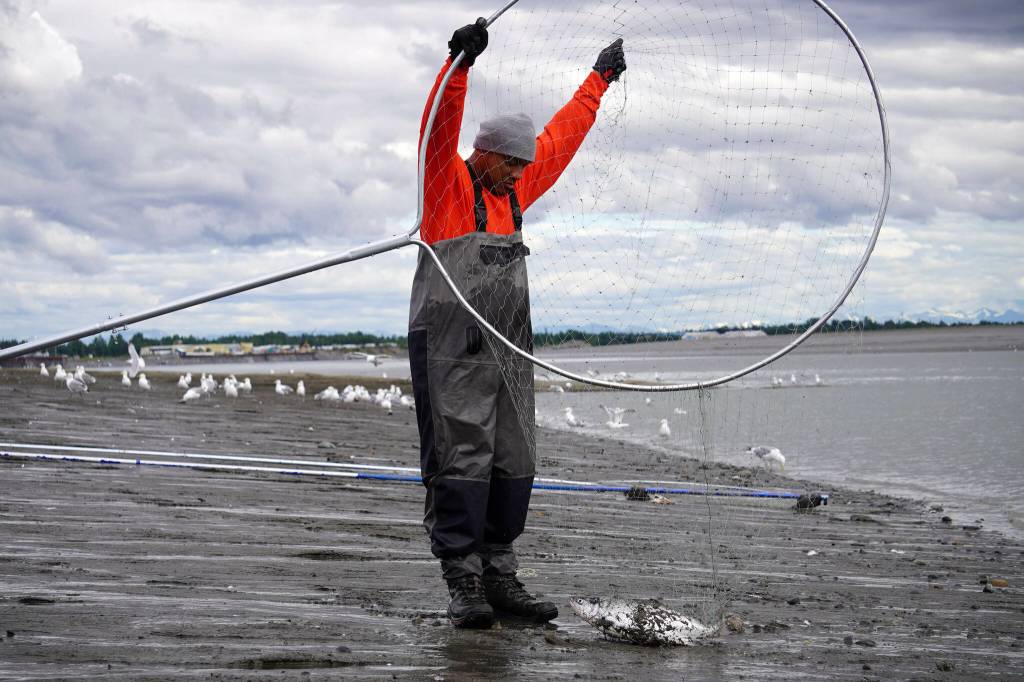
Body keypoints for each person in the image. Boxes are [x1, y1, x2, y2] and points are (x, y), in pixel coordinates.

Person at [408, 19, 626, 629]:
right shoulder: (445, 185)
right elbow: (436, 131)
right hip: (450, 344)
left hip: (507, 344)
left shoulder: (518, 188)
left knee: (512, 456)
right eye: (510, 164)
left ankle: (500, 573)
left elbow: (563, 136)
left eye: (521, 167)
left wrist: (599, 80)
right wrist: (458, 64)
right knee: (460, 458)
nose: (518, 174)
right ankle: (463, 580)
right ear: (486, 153)